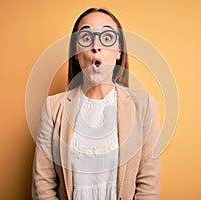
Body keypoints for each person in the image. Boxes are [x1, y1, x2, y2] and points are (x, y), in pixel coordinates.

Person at [32, 8, 161, 200]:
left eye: (107, 37)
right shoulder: (53, 108)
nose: (96, 46)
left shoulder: (144, 106)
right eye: (86, 37)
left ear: (119, 52)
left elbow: (148, 186)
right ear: (76, 52)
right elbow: (43, 184)